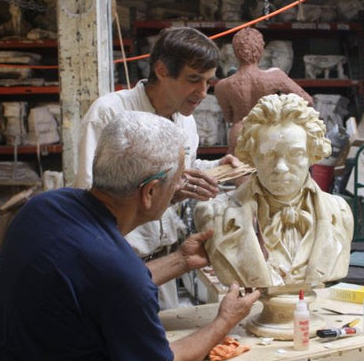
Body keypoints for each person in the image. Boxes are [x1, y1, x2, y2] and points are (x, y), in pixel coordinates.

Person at [0, 111, 260, 361]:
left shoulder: (43, 207)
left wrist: (180, 259)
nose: (182, 184)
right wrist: (225, 320)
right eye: (178, 177)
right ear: (148, 192)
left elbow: (95, 277)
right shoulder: (118, 273)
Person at [75, 26, 240, 309]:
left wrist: (216, 168)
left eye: (208, 82)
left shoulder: (185, 120)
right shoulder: (110, 113)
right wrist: (168, 191)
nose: (202, 93)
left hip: (166, 260)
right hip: (120, 261)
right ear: (162, 70)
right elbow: (89, 196)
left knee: (164, 341)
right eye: (193, 80)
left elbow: (183, 168)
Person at [194, 93, 354, 289]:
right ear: (251, 157)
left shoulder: (340, 212)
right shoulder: (214, 215)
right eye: (268, 155)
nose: (281, 168)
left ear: (313, 153)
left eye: (295, 154)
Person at [214, 27, 314, 154]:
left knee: (239, 171)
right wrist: (282, 111)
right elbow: (308, 101)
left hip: (240, 134)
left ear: (235, 52)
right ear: (260, 50)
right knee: (269, 171)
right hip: (268, 133)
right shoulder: (276, 76)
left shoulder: (222, 85)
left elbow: (229, 117)